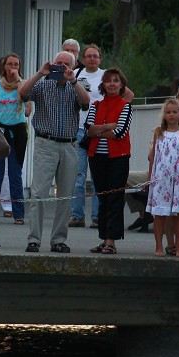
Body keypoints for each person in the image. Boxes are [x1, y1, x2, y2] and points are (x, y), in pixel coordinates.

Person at [18, 50, 89, 253]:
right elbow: (23, 94)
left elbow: (85, 103)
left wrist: (73, 81)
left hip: (69, 145)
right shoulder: (41, 84)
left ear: (73, 67)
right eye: (59, 63)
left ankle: (58, 239)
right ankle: (34, 239)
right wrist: (40, 73)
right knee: (39, 193)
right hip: (45, 143)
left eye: (67, 64)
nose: (62, 67)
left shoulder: (77, 85)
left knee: (65, 195)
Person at [72, 44, 134, 228]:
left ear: (100, 59)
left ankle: (98, 217)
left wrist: (117, 110)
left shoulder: (107, 74)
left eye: (95, 56)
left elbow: (129, 96)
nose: (92, 59)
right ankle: (77, 215)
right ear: (83, 59)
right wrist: (107, 125)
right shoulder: (76, 75)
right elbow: (90, 128)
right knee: (79, 175)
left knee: (105, 184)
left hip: (109, 139)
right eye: (88, 56)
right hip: (80, 129)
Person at [84, 67, 133, 254]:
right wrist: (107, 126)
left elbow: (120, 133)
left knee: (114, 198)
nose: (112, 84)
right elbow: (88, 130)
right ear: (103, 84)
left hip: (118, 158)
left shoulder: (125, 106)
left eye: (115, 81)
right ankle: (103, 239)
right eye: (108, 81)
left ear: (121, 85)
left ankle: (111, 240)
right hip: (97, 156)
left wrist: (100, 129)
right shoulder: (96, 104)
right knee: (102, 197)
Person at [147, 98, 179, 258]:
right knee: (159, 214)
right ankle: (159, 246)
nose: (171, 115)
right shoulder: (158, 133)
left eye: (174, 112)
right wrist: (150, 177)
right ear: (164, 115)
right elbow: (153, 156)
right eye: (168, 112)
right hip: (161, 179)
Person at [0, 53, 31, 225]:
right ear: (4, 67)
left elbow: (27, 110)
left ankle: (18, 214)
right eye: (10, 64)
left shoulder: (24, 85)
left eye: (16, 64)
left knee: (15, 174)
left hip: (18, 133)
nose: (13, 68)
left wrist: (19, 81)